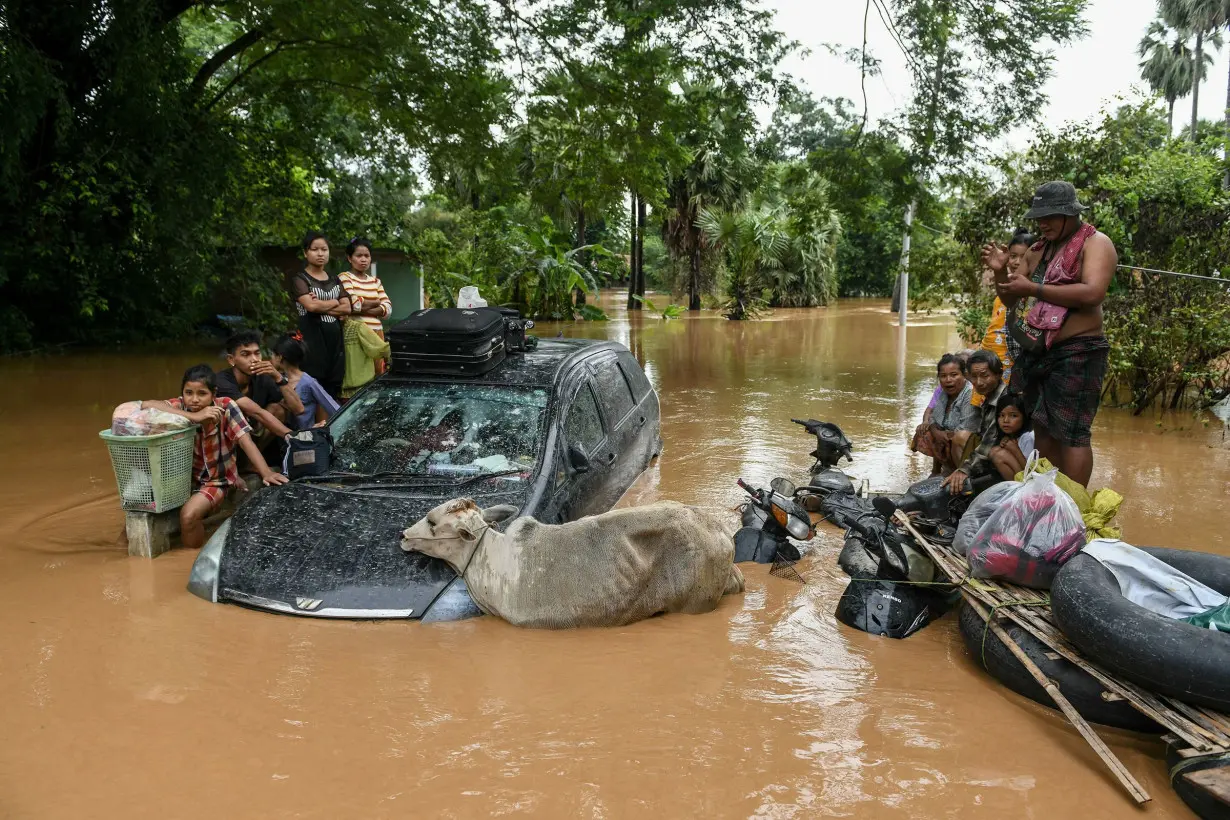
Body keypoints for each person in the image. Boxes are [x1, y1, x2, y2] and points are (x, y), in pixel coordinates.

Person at [981, 181, 1116, 487]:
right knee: (1042, 426)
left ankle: (1075, 506)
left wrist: (1032, 288)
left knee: (1073, 433)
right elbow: (1011, 298)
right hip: (1039, 351)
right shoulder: (1037, 250)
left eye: (1051, 216)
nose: (1043, 223)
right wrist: (1001, 272)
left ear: (1071, 214)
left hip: (1078, 350)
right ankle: (1049, 496)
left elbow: (1093, 292)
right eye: (1039, 217)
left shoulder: (1096, 243)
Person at [145, 365, 288, 549]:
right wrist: (193, 416)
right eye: (189, 393)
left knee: (188, 517)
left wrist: (266, 472)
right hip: (185, 480)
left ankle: (190, 559)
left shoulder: (226, 406)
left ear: (213, 394)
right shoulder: (181, 406)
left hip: (217, 481)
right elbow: (146, 405)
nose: (194, 399)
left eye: (202, 393)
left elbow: (246, 441)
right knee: (135, 520)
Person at [290, 231, 357, 400]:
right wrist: (335, 302)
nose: (320, 253)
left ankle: (329, 425)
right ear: (306, 253)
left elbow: (347, 307)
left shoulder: (335, 280)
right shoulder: (300, 279)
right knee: (313, 388)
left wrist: (322, 305)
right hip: (312, 343)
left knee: (332, 389)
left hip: (335, 345)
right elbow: (311, 306)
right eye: (315, 249)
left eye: (324, 249)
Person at [215, 330, 302, 443]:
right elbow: (257, 412)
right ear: (231, 360)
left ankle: (254, 458)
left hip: (253, 433)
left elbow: (299, 409)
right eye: (245, 354)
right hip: (225, 438)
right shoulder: (222, 381)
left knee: (278, 409)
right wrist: (293, 437)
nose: (255, 359)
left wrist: (279, 378)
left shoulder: (262, 376)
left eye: (257, 353)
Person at [944, 350, 1008, 494]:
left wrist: (964, 470)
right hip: (993, 453)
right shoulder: (989, 397)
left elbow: (989, 443)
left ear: (998, 374)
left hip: (1006, 459)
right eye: (974, 376)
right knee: (961, 437)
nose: (979, 382)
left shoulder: (1003, 401)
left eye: (985, 376)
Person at [978, 228, 1034, 389]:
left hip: (1014, 363)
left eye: (1023, 257)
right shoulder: (1004, 285)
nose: (1017, 262)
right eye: (1013, 256)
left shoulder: (1035, 289)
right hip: (992, 357)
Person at [913, 353, 979, 474]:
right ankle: (939, 471)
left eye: (954, 375)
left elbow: (966, 428)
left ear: (963, 375)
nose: (948, 380)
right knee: (924, 431)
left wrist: (944, 434)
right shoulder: (943, 392)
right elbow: (934, 417)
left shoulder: (969, 393)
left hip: (968, 442)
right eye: (943, 376)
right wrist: (936, 431)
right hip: (948, 435)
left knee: (956, 439)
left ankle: (964, 475)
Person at [337, 237, 393, 375]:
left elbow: (388, 310)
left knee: (378, 373)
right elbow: (352, 305)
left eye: (367, 256)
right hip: (357, 334)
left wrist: (361, 306)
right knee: (359, 375)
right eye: (359, 255)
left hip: (377, 333)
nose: (363, 259)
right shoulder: (344, 277)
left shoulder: (375, 281)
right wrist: (376, 303)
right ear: (350, 258)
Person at [269, 333, 340, 430]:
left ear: (280, 357)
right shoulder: (276, 379)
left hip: (304, 438)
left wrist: (319, 428)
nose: (271, 358)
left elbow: (333, 407)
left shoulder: (308, 382)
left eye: (272, 354)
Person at [341, 316, 390, 399]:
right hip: (358, 393)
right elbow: (382, 350)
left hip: (351, 393)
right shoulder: (358, 327)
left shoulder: (357, 327)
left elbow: (382, 350)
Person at [989, 391, 1031, 480]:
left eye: (1013, 416)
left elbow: (1033, 472)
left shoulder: (1029, 437)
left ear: (1024, 417)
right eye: (1001, 415)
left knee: (999, 455)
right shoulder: (1010, 436)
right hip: (1023, 478)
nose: (1006, 420)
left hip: (1032, 482)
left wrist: (1015, 449)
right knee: (995, 451)